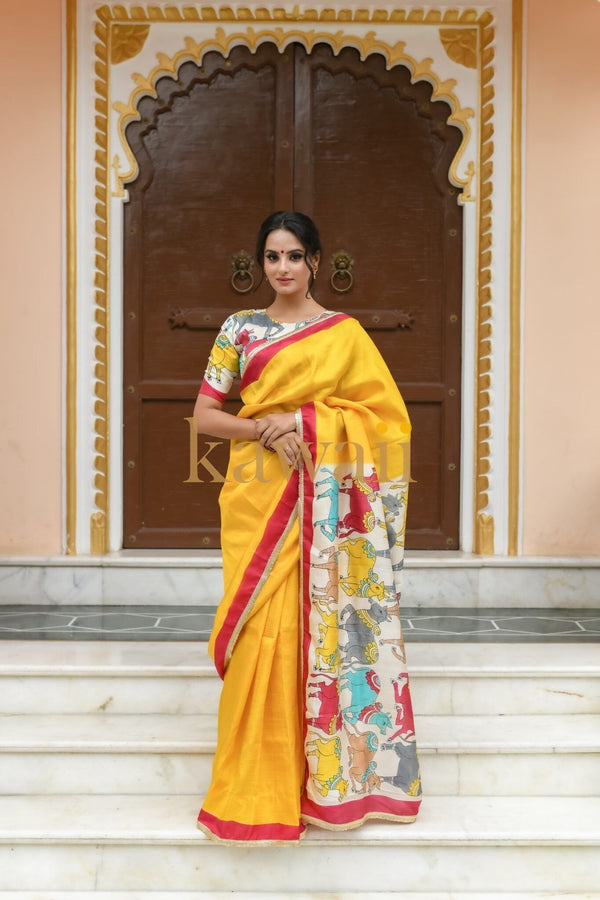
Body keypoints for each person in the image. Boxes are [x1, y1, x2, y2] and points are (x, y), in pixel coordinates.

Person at [194, 211, 421, 845]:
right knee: (260, 631)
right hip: (258, 492)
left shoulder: (342, 333)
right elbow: (207, 417)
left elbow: (388, 422)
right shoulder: (238, 330)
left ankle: (326, 784)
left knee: (321, 632)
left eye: (294, 256)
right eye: (272, 257)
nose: (283, 268)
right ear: (260, 265)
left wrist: (306, 421)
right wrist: (267, 426)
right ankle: (253, 790)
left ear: (315, 262)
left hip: (325, 500)